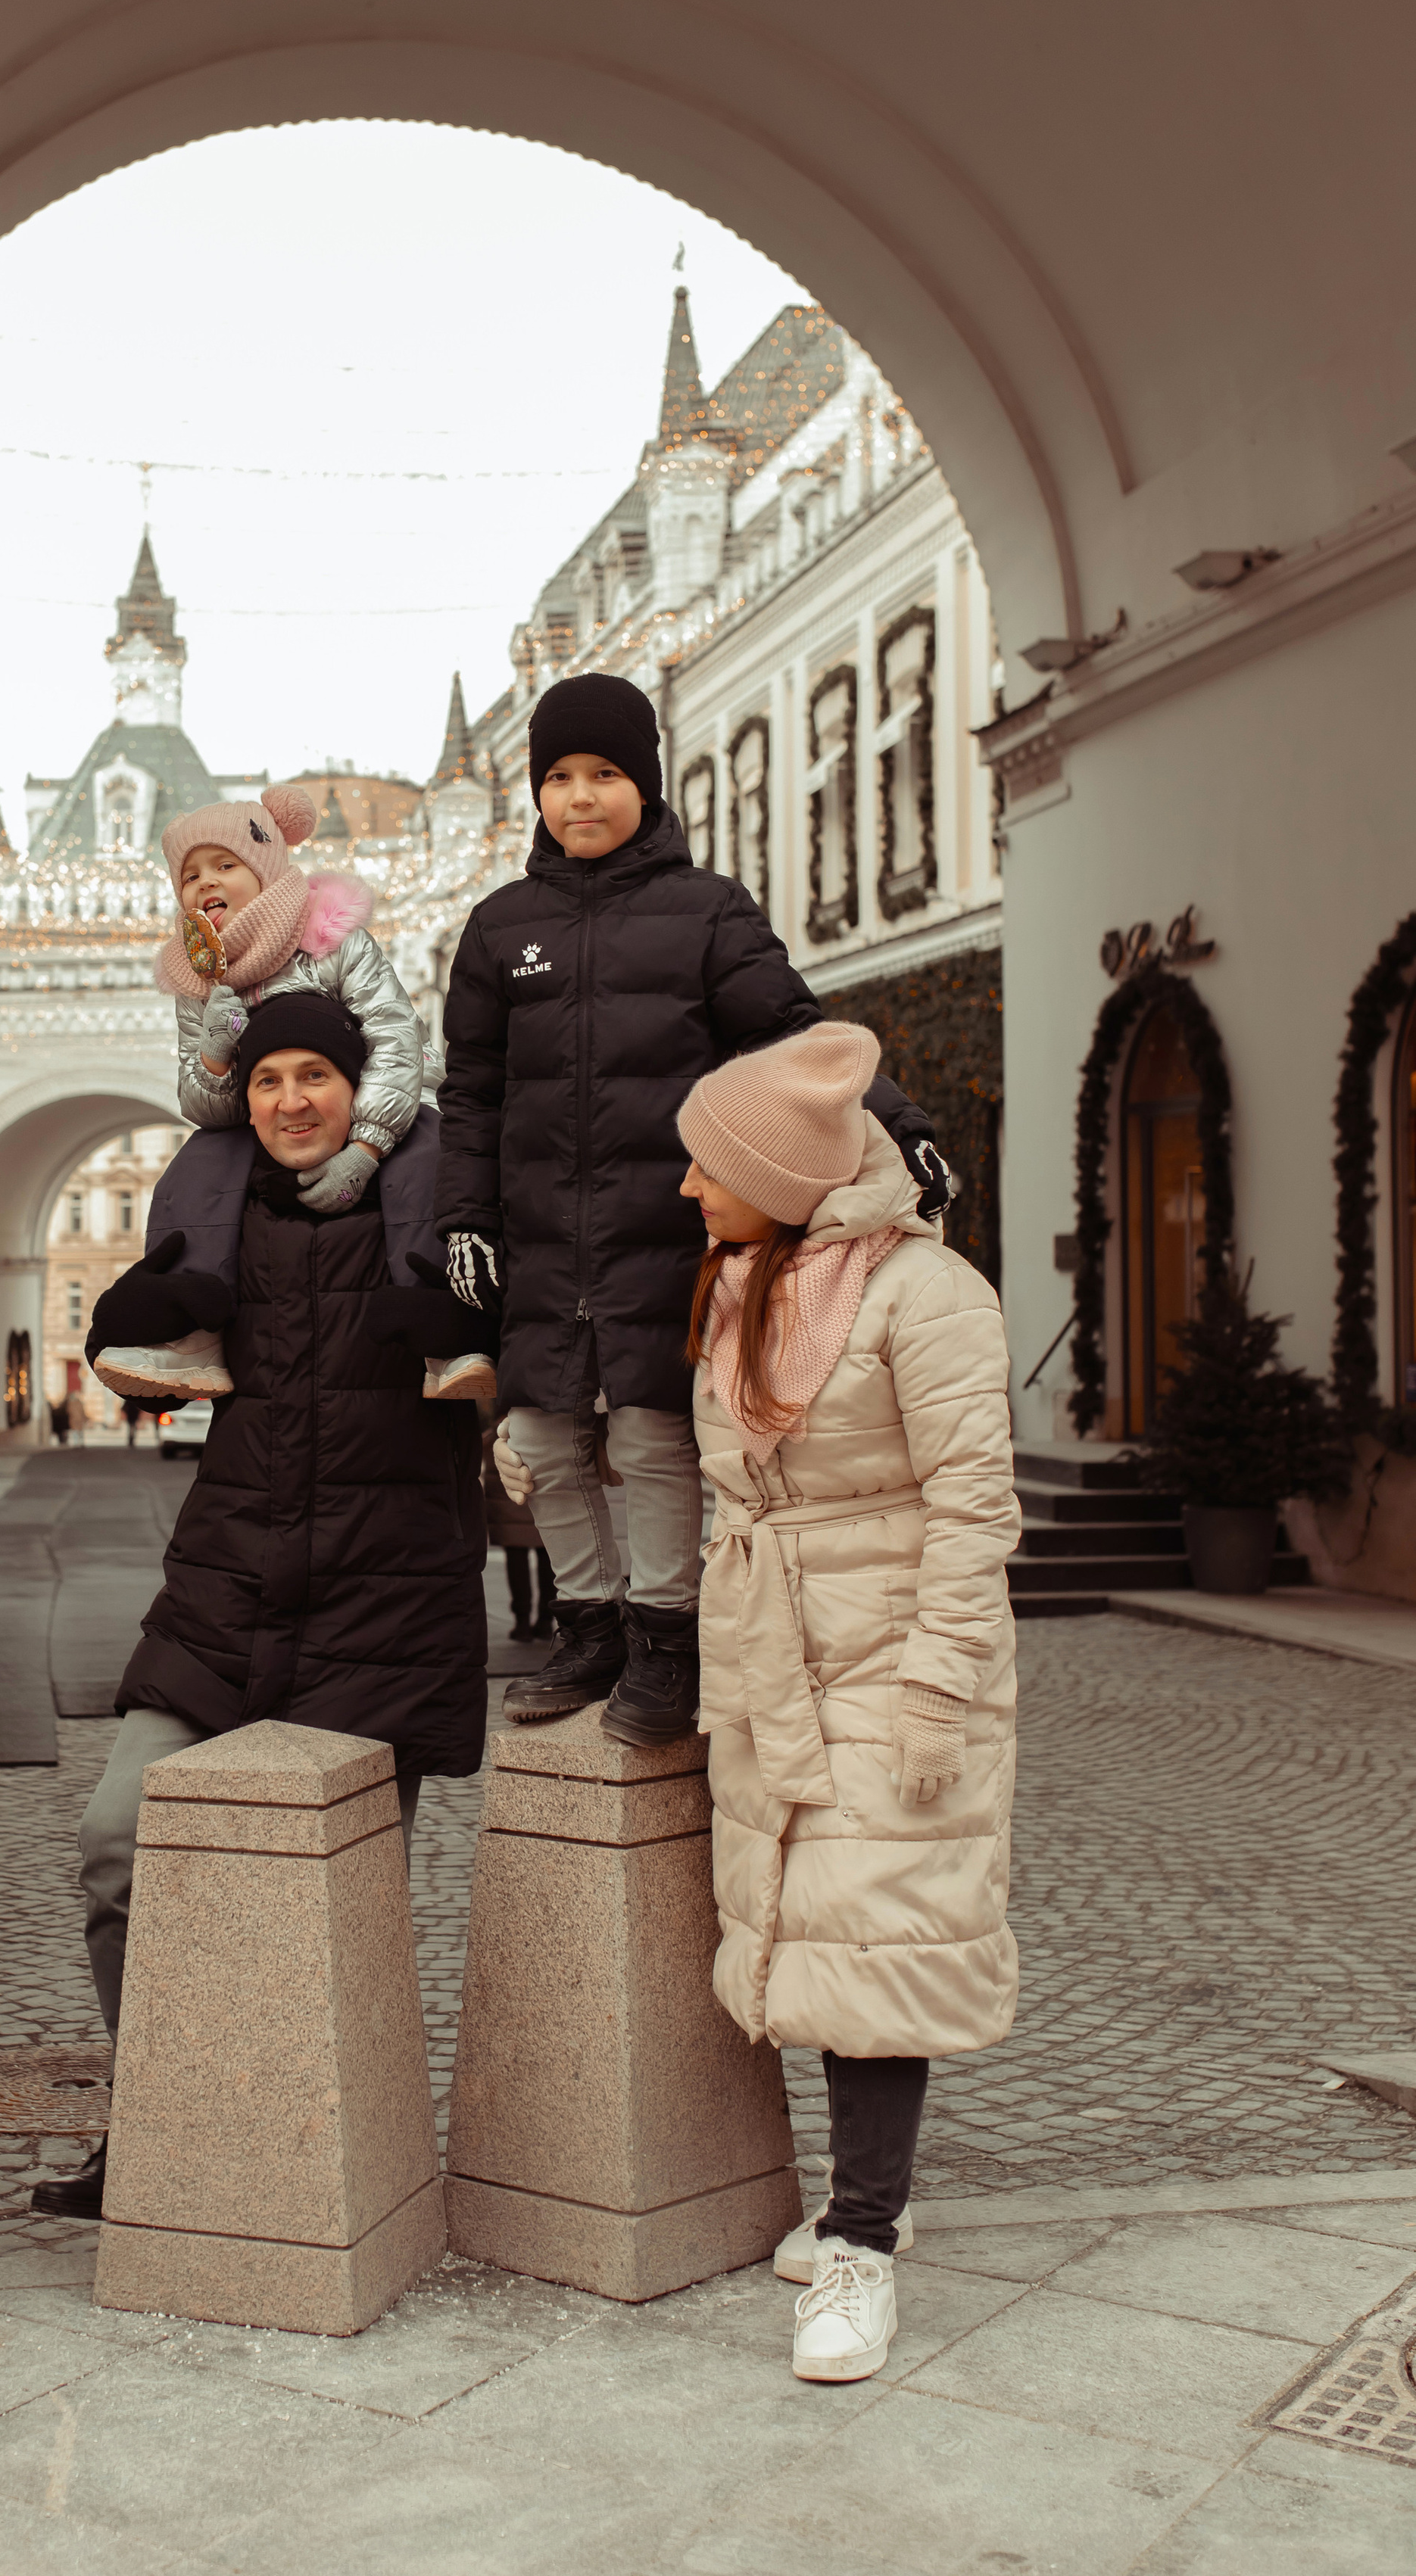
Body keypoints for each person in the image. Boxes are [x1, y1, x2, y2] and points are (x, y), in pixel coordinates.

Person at [33, 991, 491, 2221]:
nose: (292, 1101)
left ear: (364, 1089)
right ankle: (159, 2114)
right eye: (271, 1079)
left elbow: (516, 1330)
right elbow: (149, 1345)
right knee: (117, 1843)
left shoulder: (435, 1208)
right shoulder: (215, 1209)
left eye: (317, 1078)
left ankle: (335, 2156)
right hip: (225, 1596)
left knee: (343, 1902)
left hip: (383, 1606)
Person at [434, 669, 948, 1749]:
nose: (581, 797)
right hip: (538, 1235)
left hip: (665, 1228)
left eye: (607, 774)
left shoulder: (708, 911)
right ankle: (590, 1625)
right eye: (560, 777)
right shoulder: (497, 930)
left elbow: (789, 1035)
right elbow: (471, 1093)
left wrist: (894, 1121)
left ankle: (666, 1636)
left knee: (658, 1437)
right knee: (543, 1438)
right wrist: (463, 1219)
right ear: (536, 791)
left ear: (646, 784)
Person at [673, 1021, 1018, 2383]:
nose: (690, 1188)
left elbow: (973, 1505)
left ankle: (863, 2243)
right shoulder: (751, 1281)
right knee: (811, 1938)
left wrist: (939, 1686)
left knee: (876, 1940)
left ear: (787, 1169)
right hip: (778, 1656)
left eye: (711, 1166)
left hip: (892, 1654)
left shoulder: (929, 1299)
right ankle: (868, 2199)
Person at [96, 784, 485, 1407]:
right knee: (198, 1165)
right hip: (268, 1125)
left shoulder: (334, 941)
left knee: (423, 1158)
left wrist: (366, 1145)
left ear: (269, 871)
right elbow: (205, 1106)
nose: (205, 882)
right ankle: (191, 1332)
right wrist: (216, 1057)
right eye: (190, 874)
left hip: (372, 1103)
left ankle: (444, 1326)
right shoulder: (200, 980)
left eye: (225, 865)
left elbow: (395, 1038)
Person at [481, 1406, 557, 1642]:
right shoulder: (545, 1426)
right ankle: (545, 1621)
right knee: (548, 1561)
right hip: (543, 1507)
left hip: (510, 1508)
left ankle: (522, 1622)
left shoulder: (496, 1433)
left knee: (517, 1564)